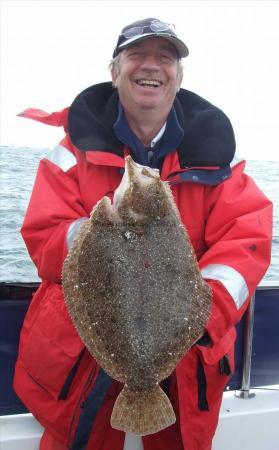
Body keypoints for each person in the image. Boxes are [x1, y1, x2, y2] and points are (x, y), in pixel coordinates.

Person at [14, 18, 272, 450]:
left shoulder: (217, 157)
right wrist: (98, 233)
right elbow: (43, 236)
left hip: (185, 364)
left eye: (165, 58)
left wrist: (192, 319)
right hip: (80, 358)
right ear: (115, 72)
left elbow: (248, 241)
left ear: (178, 76)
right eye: (137, 55)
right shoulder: (70, 152)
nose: (151, 66)